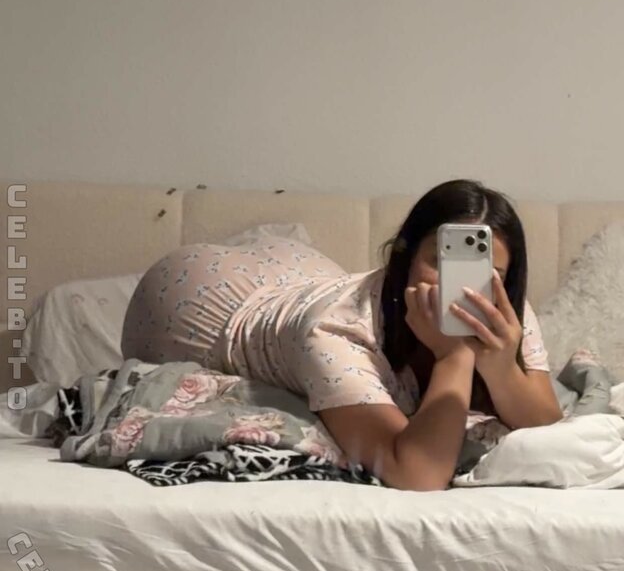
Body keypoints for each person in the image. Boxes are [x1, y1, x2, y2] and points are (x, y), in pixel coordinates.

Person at [121, 179, 562, 491]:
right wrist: (455, 356)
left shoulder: (498, 305)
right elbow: (417, 474)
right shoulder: (335, 329)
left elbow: (546, 424)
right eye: (439, 262)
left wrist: (500, 367)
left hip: (298, 274)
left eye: (485, 272)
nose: (459, 288)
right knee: (304, 315)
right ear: (403, 259)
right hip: (195, 305)